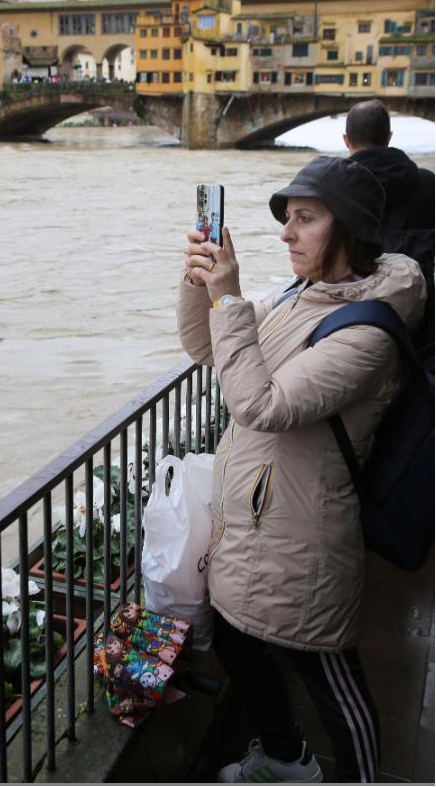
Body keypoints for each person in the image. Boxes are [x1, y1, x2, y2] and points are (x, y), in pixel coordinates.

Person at [178, 155, 425, 784]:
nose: (286, 233)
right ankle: (288, 757)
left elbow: (261, 404)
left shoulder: (370, 328)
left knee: (332, 677)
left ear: (350, 231)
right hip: (258, 519)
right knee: (237, 640)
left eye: (305, 219)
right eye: (288, 219)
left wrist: (230, 298)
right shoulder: (298, 294)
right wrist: (200, 283)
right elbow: (206, 346)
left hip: (307, 533)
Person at [342, 98, 434, 350]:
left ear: (346, 139)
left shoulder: (335, 187)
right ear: (389, 136)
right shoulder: (427, 184)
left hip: (351, 319)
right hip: (418, 319)